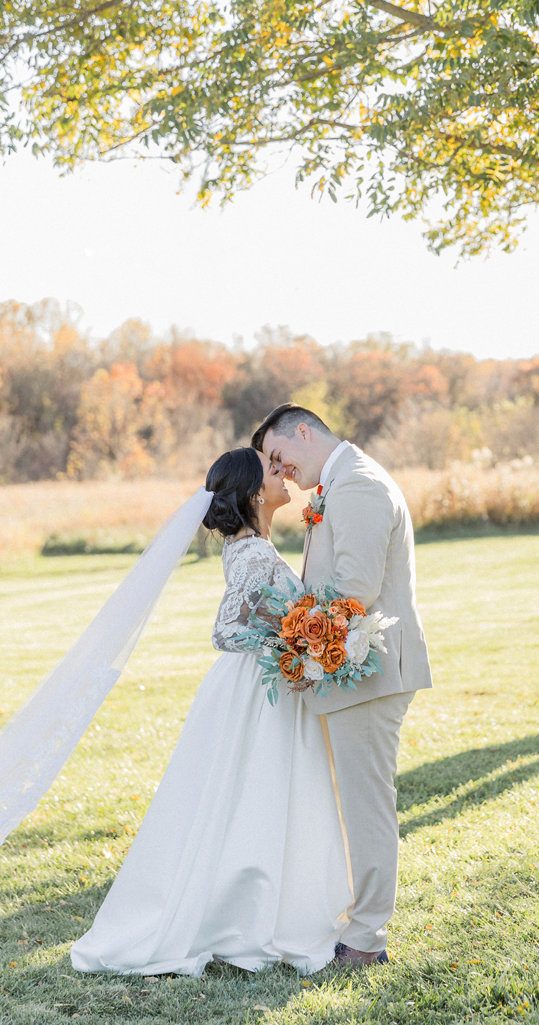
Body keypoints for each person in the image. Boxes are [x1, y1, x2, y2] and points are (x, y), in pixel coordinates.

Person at [70, 447, 352, 978]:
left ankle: (262, 905)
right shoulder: (252, 554)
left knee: (254, 797)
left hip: (263, 685)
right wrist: (290, 639)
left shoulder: (255, 546)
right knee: (255, 794)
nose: (283, 473)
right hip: (253, 692)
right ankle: (249, 916)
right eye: (273, 470)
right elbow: (225, 631)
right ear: (252, 494)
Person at [252, 404, 432, 969]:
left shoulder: (357, 485)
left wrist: (296, 635)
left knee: (366, 804)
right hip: (353, 671)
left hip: (371, 672)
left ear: (304, 431)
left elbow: (355, 585)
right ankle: (351, 919)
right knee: (353, 801)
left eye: (280, 456)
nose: (279, 471)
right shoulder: (339, 483)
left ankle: (366, 940)